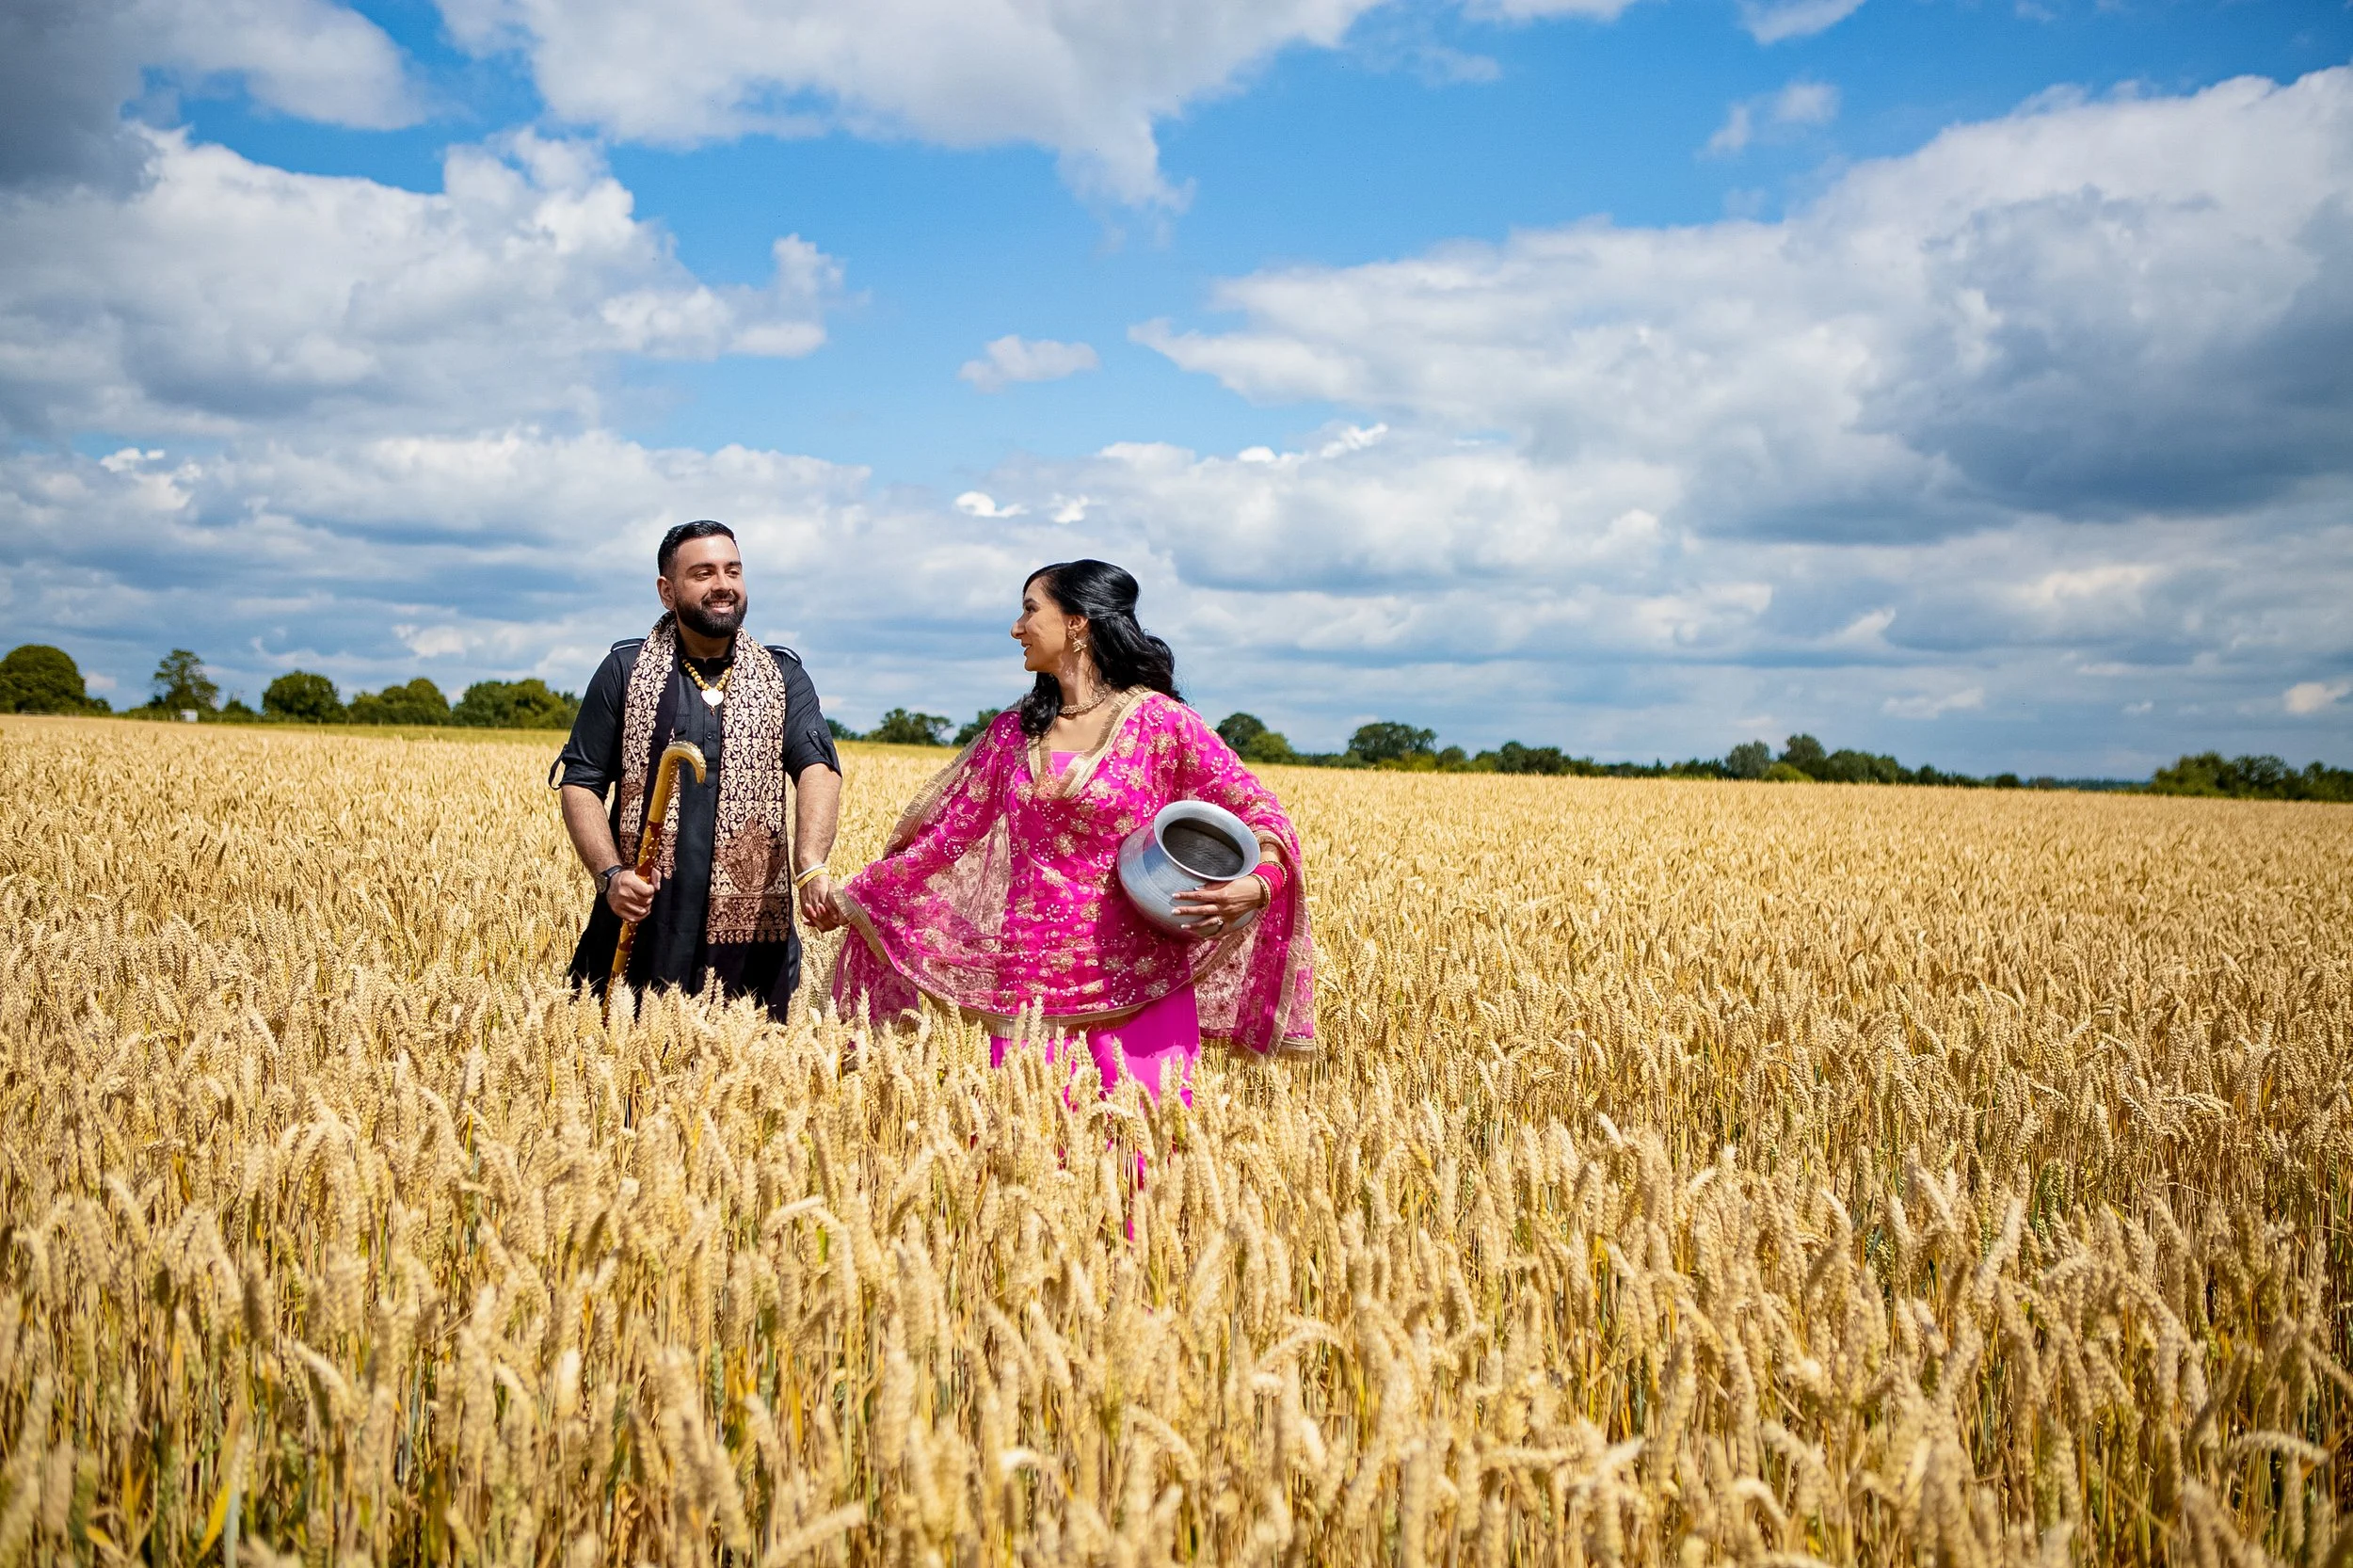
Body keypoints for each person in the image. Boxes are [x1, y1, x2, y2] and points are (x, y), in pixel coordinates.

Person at [814, 558, 1314, 1098]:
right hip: (1029, 986)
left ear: (1077, 623)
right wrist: (856, 897)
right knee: (1031, 1153)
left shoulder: (1162, 724)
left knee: (1144, 1152)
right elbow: (941, 842)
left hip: (1142, 978)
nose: (1016, 628)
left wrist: (1259, 883)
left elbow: (1262, 812)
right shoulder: (1014, 731)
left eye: (1030, 610)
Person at [555, 520, 843, 1020]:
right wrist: (610, 876)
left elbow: (818, 766)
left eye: (733, 571)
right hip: (644, 922)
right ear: (667, 592)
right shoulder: (625, 670)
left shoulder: (782, 675)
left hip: (752, 937)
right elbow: (580, 782)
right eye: (703, 573)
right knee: (624, 1076)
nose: (723, 586)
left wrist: (811, 864)